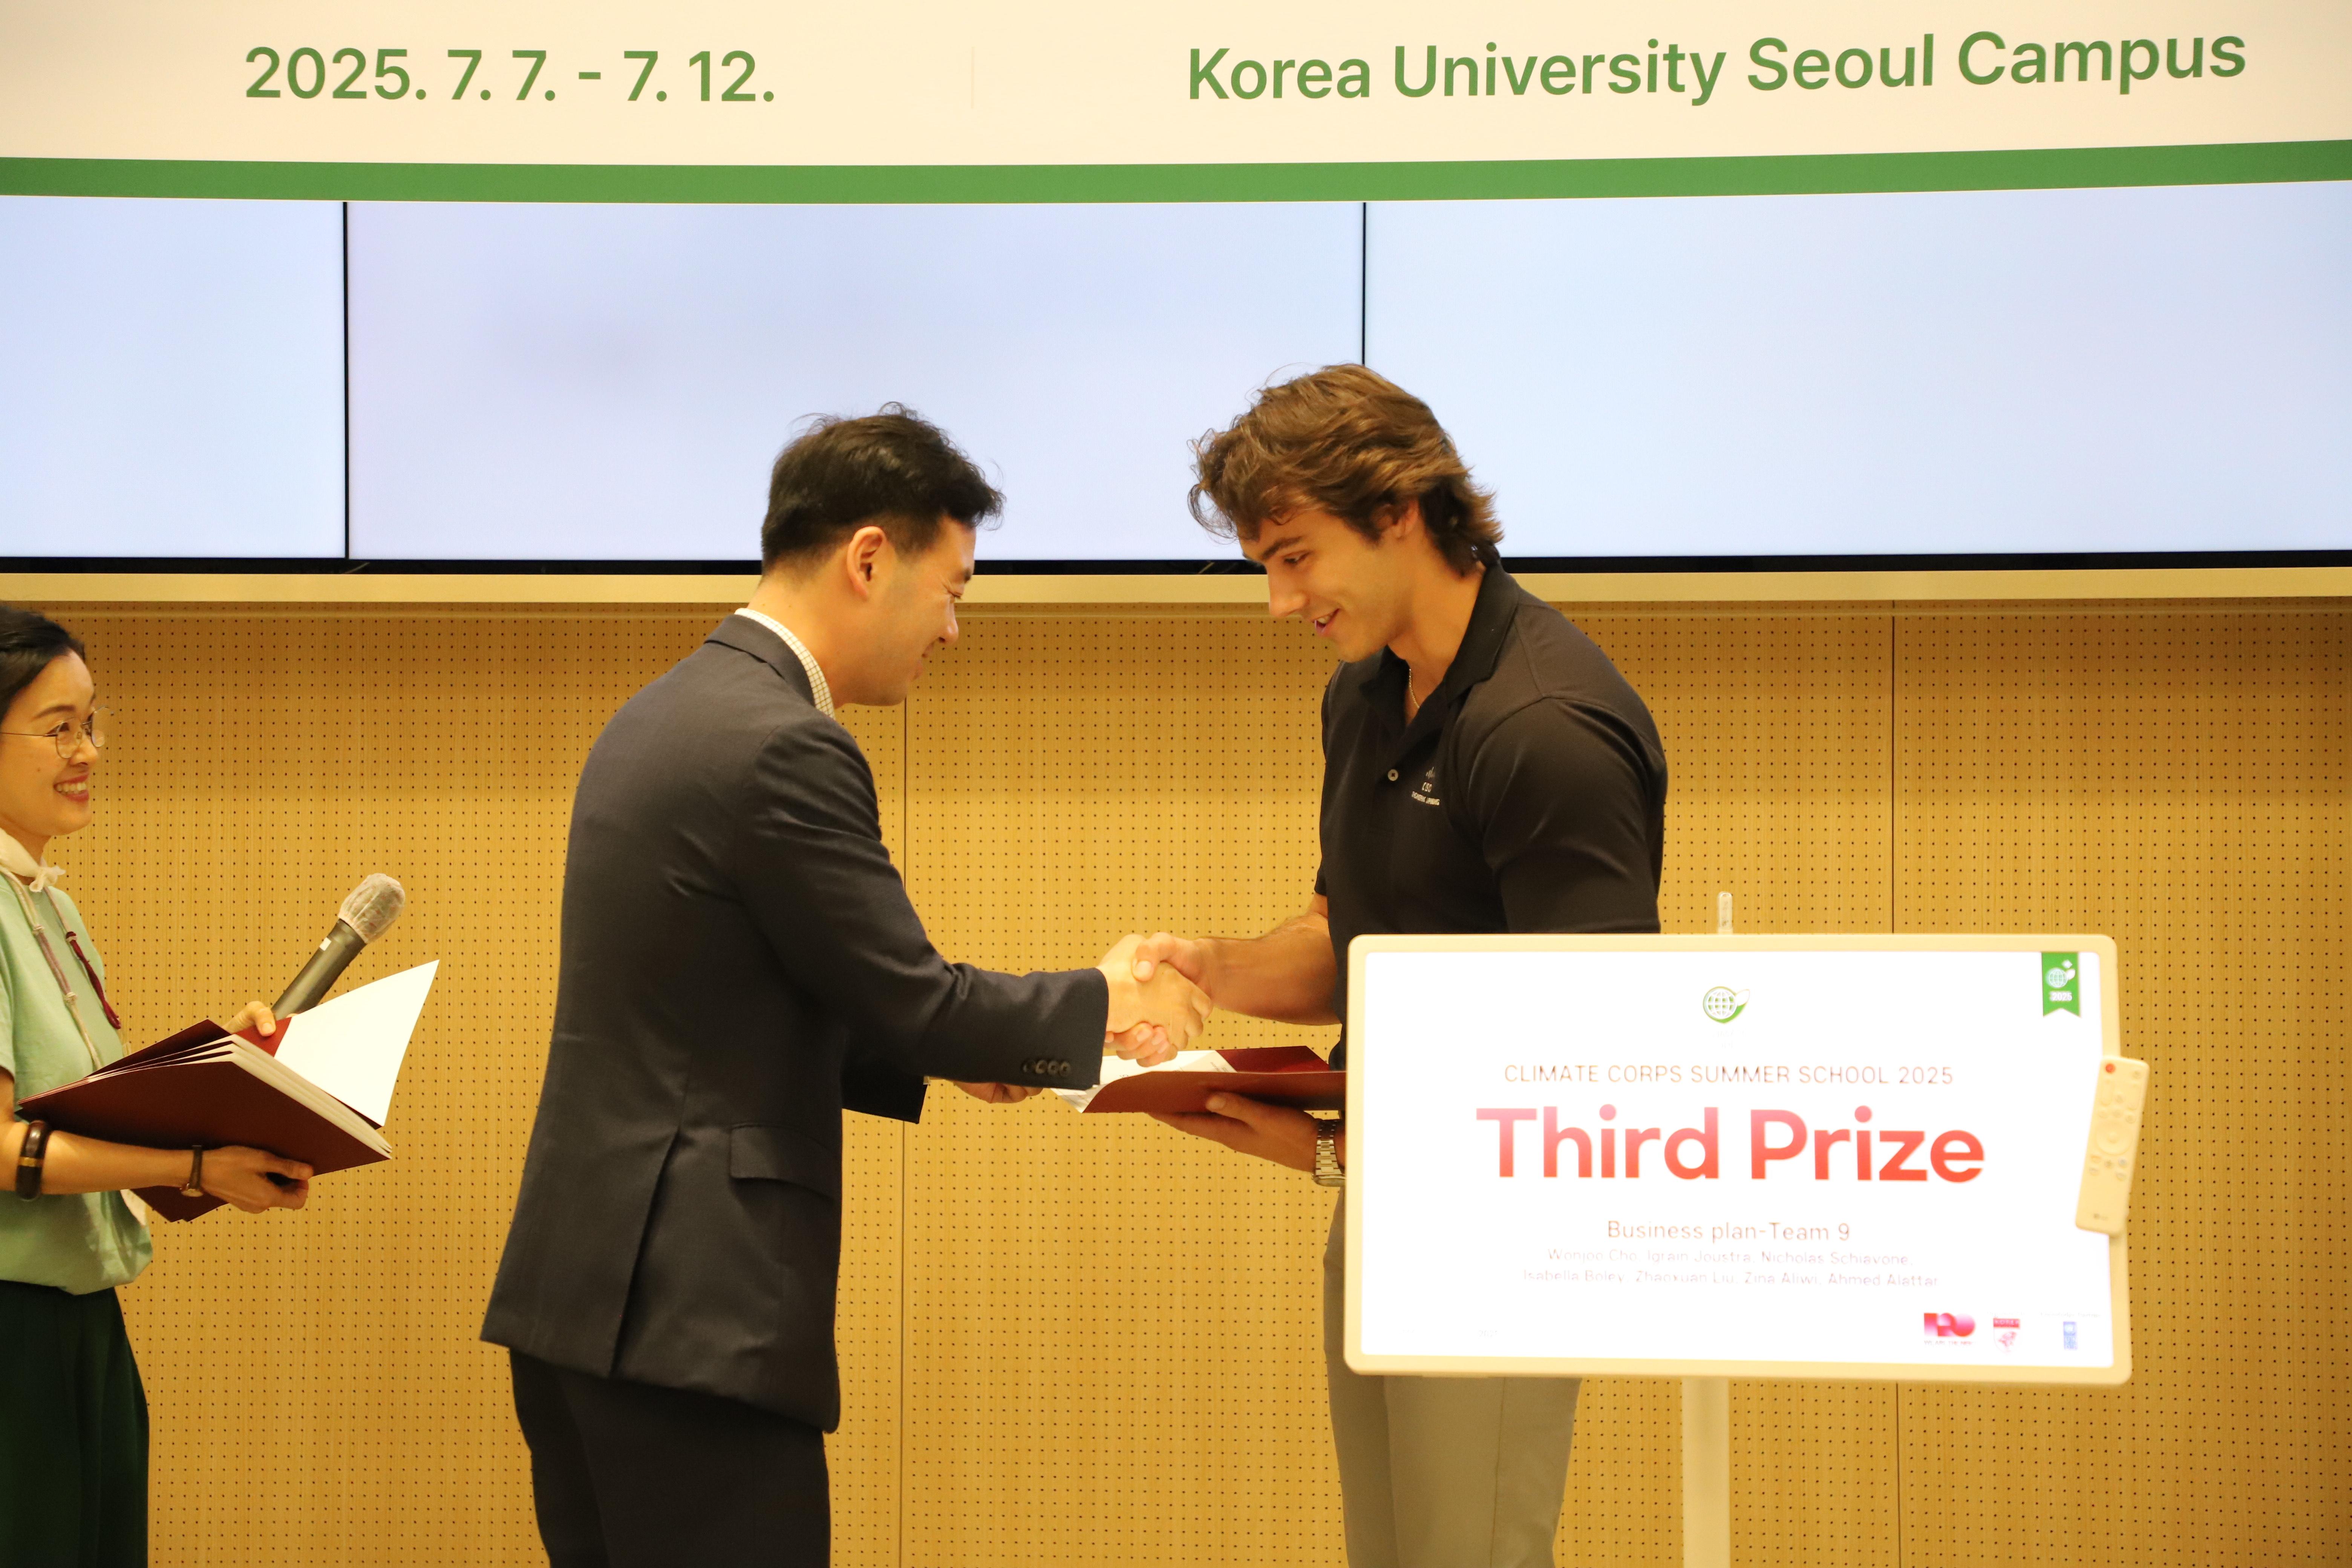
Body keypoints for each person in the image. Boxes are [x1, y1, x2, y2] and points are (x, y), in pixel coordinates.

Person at [481, 408, 1210, 1568]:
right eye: (954, 589)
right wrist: (1104, 1002)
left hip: (585, 1306)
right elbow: (910, 995)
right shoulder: (783, 742)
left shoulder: (660, 713)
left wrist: (959, 1052)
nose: (956, 629)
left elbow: (731, 992)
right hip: (693, 1324)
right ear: (870, 559)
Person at [1117, 366, 1669, 1568]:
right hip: (1385, 1203)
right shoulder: (1362, 696)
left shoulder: (1545, 727)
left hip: (1508, 1232)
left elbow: (1609, 1052)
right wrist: (1202, 965)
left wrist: (1337, 1149)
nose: (1279, 599)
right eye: (1268, 564)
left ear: (1402, 511)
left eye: (1296, 556)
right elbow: (1345, 941)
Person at [0, 606, 312, 1568]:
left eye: (92, 723)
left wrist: (231, 1079)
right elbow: (7, 1148)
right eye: (59, 727)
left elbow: (93, 1113)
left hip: (84, 1321)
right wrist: (193, 1160)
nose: (87, 750)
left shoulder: (49, 904)